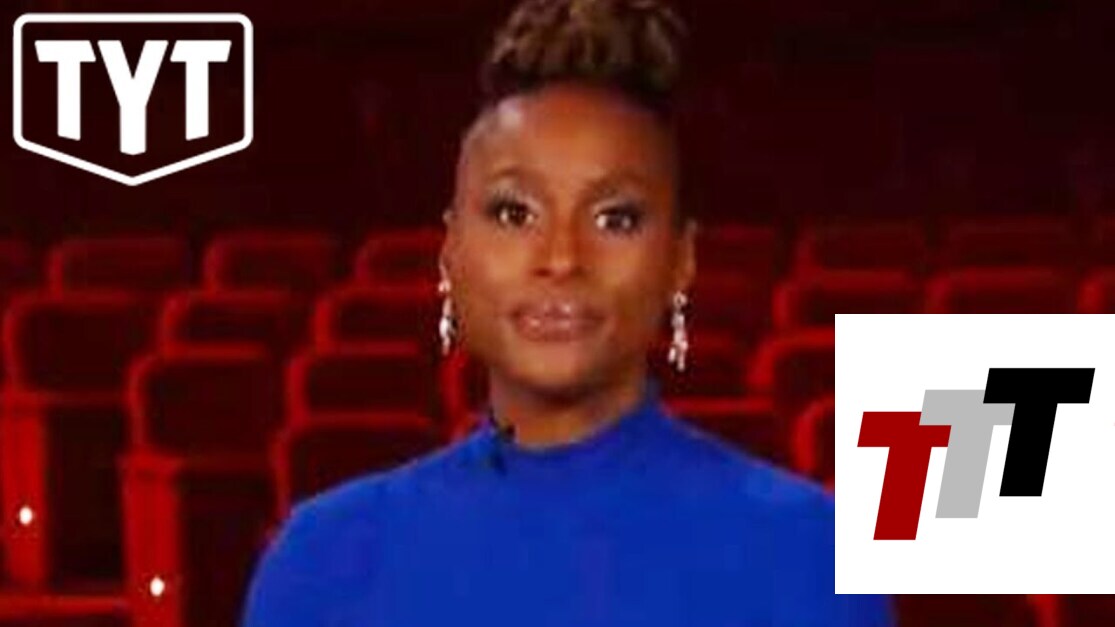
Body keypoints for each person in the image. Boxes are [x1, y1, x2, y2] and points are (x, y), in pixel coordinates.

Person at [242, 0, 893, 625]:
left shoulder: (806, 548)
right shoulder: (323, 559)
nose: (561, 257)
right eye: (513, 212)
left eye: (615, 218)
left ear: (680, 260)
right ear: (452, 251)